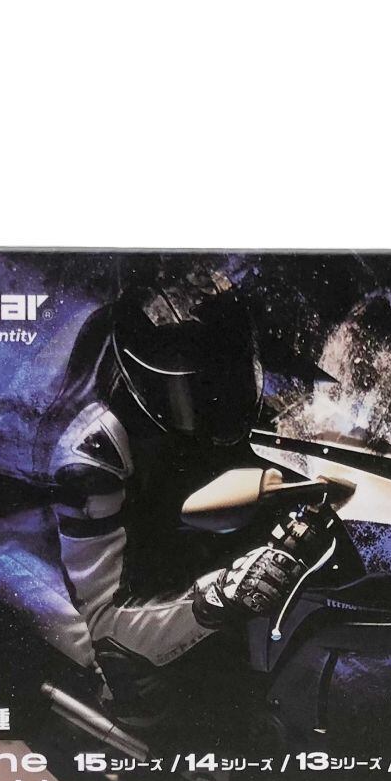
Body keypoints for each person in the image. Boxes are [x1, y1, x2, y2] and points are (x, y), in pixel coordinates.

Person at [44, 266, 314, 725]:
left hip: (220, 532)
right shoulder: (90, 455)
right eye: (200, 390)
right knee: (133, 682)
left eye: (229, 381)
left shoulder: (238, 354)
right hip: (146, 587)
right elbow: (106, 630)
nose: (218, 402)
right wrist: (218, 598)